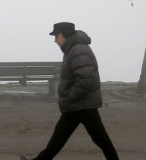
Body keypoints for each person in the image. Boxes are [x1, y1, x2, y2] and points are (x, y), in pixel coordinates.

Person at [20, 22, 119, 160]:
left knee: (100, 139)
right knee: (59, 139)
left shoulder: (78, 50)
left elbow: (86, 79)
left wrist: (69, 96)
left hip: (83, 105)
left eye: (57, 36)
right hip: (76, 105)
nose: (55, 40)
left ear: (64, 34)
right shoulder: (72, 49)